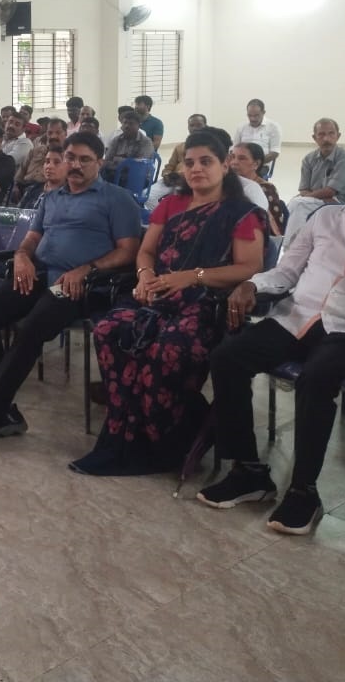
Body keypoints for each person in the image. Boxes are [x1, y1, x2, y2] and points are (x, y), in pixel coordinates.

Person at [197, 150, 345, 535]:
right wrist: (251, 284)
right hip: (296, 316)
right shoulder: (325, 218)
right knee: (227, 357)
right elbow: (287, 271)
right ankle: (249, 472)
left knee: (316, 378)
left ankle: (303, 491)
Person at [70, 130, 266, 476]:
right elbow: (146, 251)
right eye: (189, 163)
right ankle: (127, 433)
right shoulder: (170, 204)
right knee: (109, 329)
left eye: (206, 161)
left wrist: (192, 277)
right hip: (158, 295)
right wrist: (145, 275)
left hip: (206, 303)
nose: (196, 169)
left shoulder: (241, 213)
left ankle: (167, 441)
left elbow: (249, 267)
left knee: (167, 349)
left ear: (224, 165)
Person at [0, 133, 141, 443]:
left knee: (30, 328)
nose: (75, 165)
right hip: (42, 275)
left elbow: (128, 251)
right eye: (70, 158)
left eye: (85, 159)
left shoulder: (117, 199)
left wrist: (86, 269)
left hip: (84, 285)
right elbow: (32, 238)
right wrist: (21, 257)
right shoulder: (52, 197)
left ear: (100, 162)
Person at [281, 118, 345, 247]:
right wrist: (308, 197)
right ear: (314, 138)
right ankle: (297, 246)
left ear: (338, 136)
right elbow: (303, 189)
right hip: (317, 201)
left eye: (331, 133)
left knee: (298, 204)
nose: (326, 138)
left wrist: (306, 197)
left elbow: (330, 191)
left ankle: (290, 248)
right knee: (293, 204)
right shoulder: (309, 159)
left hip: (339, 202)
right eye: (321, 134)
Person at [146, 113, 207, 211]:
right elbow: (169, 166)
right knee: (147, 197)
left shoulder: (209, 148)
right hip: (172, 180)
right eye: (192, 125)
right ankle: (163, 217)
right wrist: (166, 175)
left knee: (178, 203)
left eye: (199, 125)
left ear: (205, 126)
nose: (195, 128)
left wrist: (182, 177)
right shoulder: (180, 147)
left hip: (190, 183)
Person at [228, 141, 287, 235]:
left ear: (256, 164)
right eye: (232, 157)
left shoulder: (266, 188)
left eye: (242, 158)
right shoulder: (225, 185)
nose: (234, 162)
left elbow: (274, 227)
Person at [101, 110, 154, 181]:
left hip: (137, 178)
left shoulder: (146, 142)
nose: (126, 126)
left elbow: (138, 165)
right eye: (125, 123)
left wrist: (116, 160)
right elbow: (106, 161)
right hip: (115, 174)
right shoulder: (116, 140)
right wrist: (125, 162)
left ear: (139, 126)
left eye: (131, 123)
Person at [235, 99, 282, 173]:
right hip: (241, 163)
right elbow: (234, 148)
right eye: (249, 115)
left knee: (249, 176)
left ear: (263, 112)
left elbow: (275, 152)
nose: (252, 119)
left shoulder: (273, 127)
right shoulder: (241, 127)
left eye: (256, 115)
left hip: (261, 165)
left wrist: (255, 163)